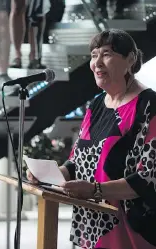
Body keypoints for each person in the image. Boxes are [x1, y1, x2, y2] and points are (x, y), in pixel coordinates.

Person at [27, 29, 156, 249]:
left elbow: (147, 178)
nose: (97, 62)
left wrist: (95, 190)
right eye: (94, 55)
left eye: (106, 54)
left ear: (131, 59)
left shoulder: (148, 105)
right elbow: (77, 161)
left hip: (134, 229)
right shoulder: (96, 104)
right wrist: (52, 175)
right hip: (92, 224)